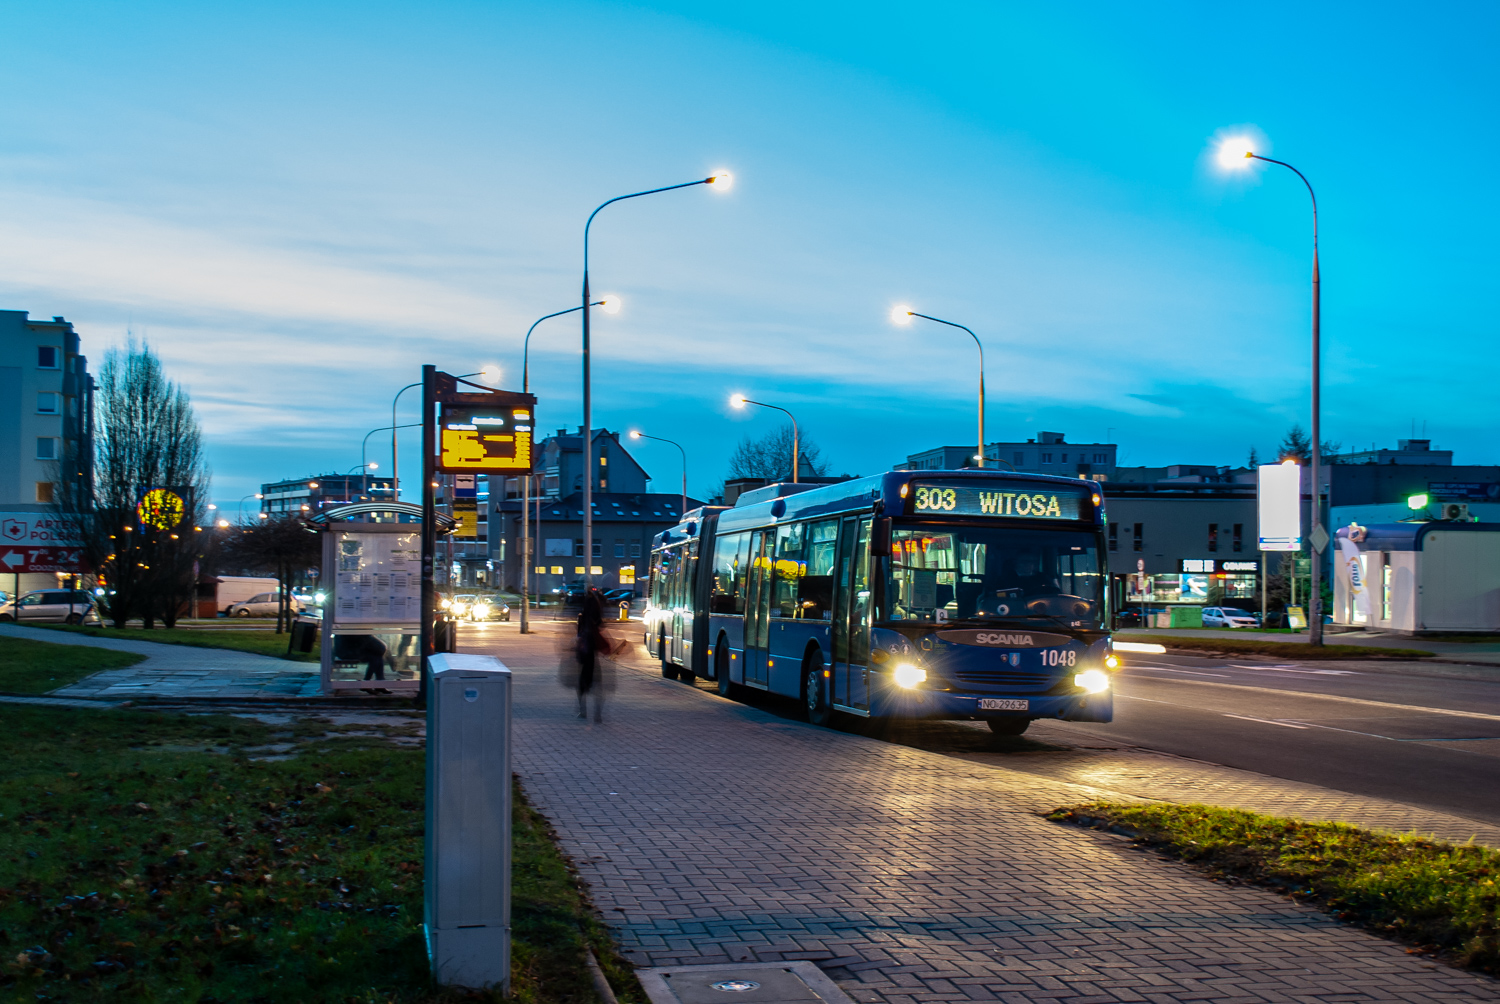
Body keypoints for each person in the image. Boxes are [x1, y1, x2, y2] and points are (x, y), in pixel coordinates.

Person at [575, 588, 608, 721]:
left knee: (582, 683)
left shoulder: (582, 619)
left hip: (584, 655)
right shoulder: (595, 618)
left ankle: (583, 711)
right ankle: (598, 714)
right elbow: (601, 624)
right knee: (597, 684)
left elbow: (578, 635)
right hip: (593, 656)